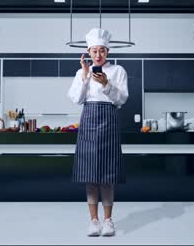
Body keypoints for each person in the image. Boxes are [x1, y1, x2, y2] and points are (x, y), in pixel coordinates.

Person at [67, 28, 129, 236]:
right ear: (88, 52)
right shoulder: (80, 73)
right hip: (88, 122)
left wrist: (106, 84)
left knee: (107, 175)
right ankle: (94, 221)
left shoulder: (118, 71)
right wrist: (85, 77)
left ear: (108, 51)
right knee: (90, 175)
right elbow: (77, 100)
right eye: (94, 51)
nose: (98, 55)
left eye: (102, 50)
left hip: (109, 122)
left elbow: (121, 100)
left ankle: (109, 221)